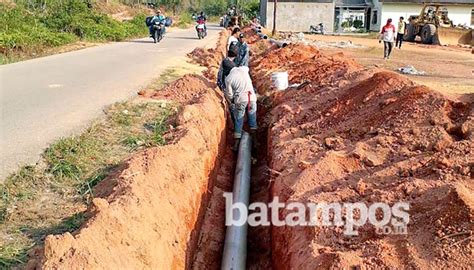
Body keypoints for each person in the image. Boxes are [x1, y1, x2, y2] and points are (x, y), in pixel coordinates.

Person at [224, 66, 257, 150]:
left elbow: (229, 94)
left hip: (241, 100)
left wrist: (231, 101)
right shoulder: (244, 69)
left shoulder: (228, 78)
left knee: (239, 120)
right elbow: (247, 67)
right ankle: (255, 142)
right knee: (252, 119)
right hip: (252, 98)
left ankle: (236, 144)